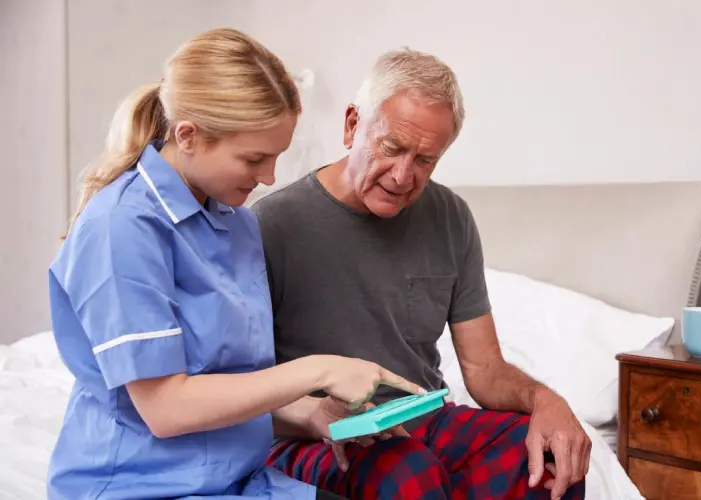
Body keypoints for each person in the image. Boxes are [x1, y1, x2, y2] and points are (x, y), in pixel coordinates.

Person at [46, 28, 424, 500]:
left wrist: (310, 414)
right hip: (139, 487)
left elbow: (226, 381)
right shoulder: (121, 228)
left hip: (239, 480)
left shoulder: (238, 224)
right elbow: (167, 409)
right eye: (254, 159)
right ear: (188, 135)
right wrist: (322, 370)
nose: (268, 178)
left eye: (277, 158)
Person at [252, 48, 591, 500]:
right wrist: (312, 413)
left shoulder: (451, 217)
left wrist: (546, 401)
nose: (402, 175)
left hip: (423, 422)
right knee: (407, 472)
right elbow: (243, 385)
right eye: (391, 148)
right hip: (316, 435)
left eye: (425, 160)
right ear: (353, 125)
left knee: (545, 458)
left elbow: (485, 368)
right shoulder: (271, 224)